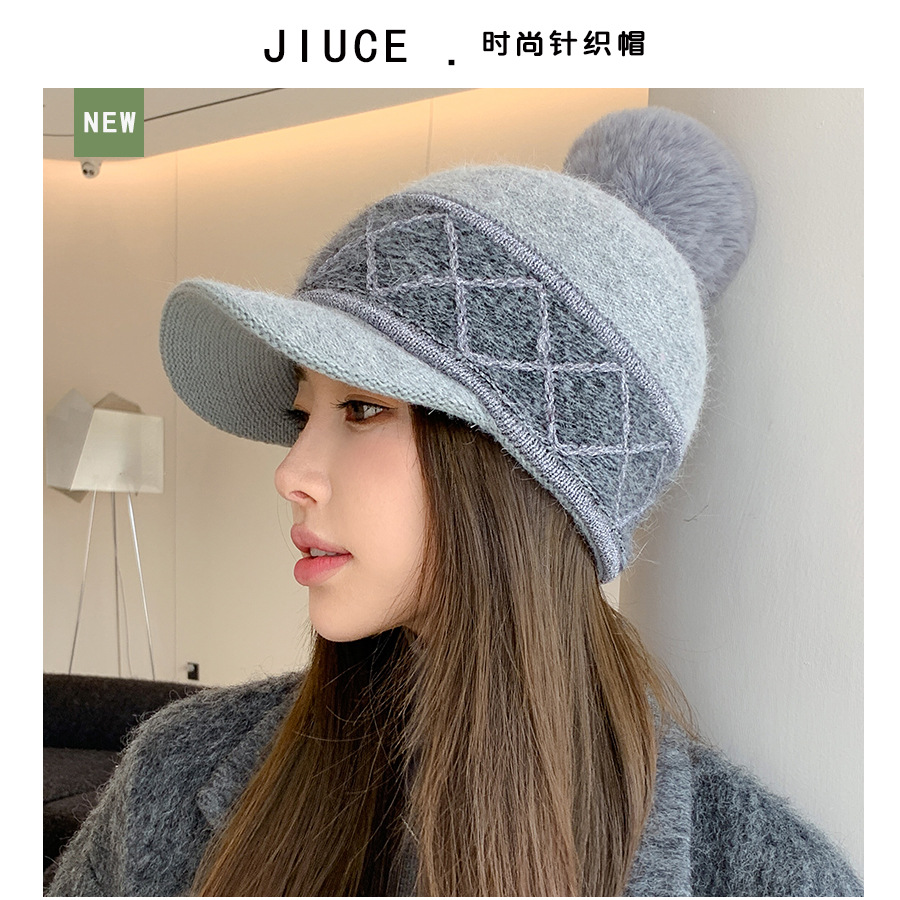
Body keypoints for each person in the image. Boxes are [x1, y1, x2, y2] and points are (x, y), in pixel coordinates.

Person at [48, 107, 862, 896]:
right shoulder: (171, 774)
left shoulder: (767, 877)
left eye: (362, 409)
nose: (291, 473)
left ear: (526, 470)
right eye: (303, 416)